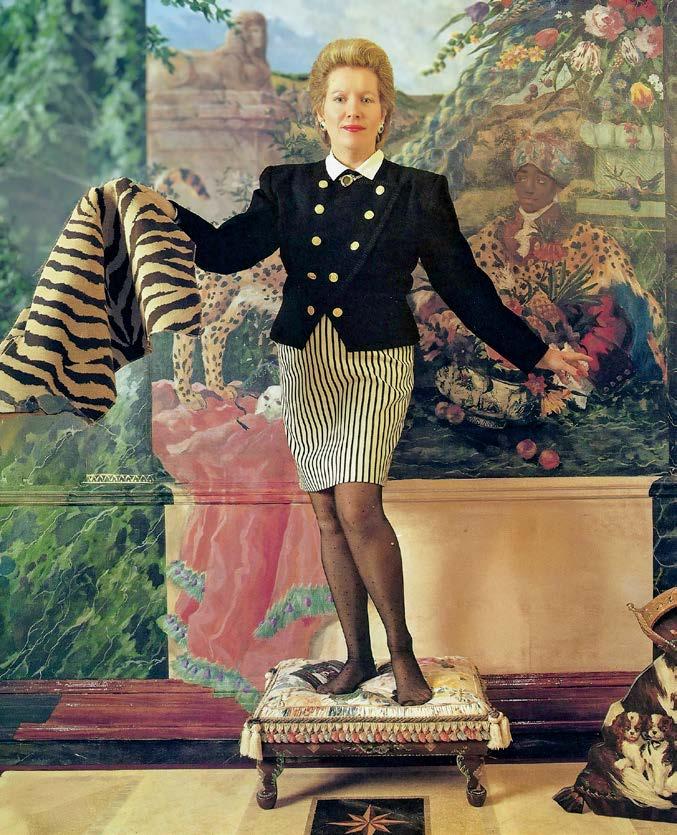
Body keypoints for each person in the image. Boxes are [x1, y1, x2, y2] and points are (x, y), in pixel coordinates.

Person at [168, 38, 590, 706]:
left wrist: (538, 354)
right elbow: (223, 252)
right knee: (327, 514)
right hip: (306, 362)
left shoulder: (418, 192)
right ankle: (356, 658)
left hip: (376, 363)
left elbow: (465, 288)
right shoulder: (285, 185)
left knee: (359, 505)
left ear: (384, 112)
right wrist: (159, 209)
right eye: (339, 97)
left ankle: (401, 654)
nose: (353, 109)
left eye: (366, 98)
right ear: (320, 111)